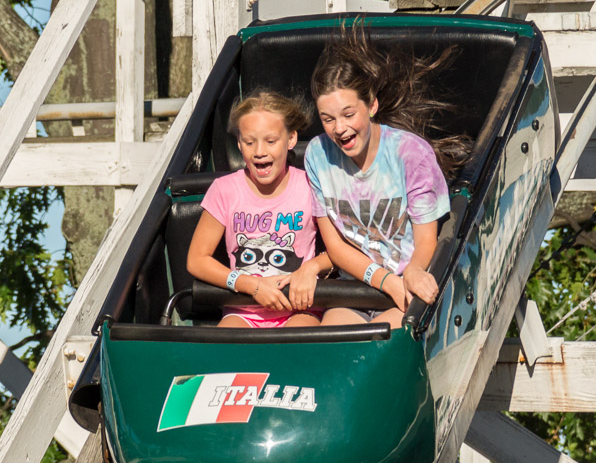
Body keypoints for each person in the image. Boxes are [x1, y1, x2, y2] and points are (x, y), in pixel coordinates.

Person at [304, 27, 469, 327]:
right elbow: (336, 247)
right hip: (356, 289)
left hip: (405, 284)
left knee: (385, 343)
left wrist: (413, 273)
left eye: (348, 114)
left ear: (371, 105)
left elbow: (425, 242)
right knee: (331, 345)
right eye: (328, 119)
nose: (339, 128)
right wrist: (384, 281)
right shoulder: (317, 155)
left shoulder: (410, 154)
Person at [186, 90, 330, 328]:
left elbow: (340, 249)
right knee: (226, 347)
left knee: (298, 346)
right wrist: (251, 286)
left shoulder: (310, 187)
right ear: (239, 144)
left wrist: (311, 269)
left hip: (300, 309)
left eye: (271, 141)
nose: (260, 151)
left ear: (291, 139)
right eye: (250, 142)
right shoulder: (225, 190)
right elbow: (197, 259)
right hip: (243, 311)